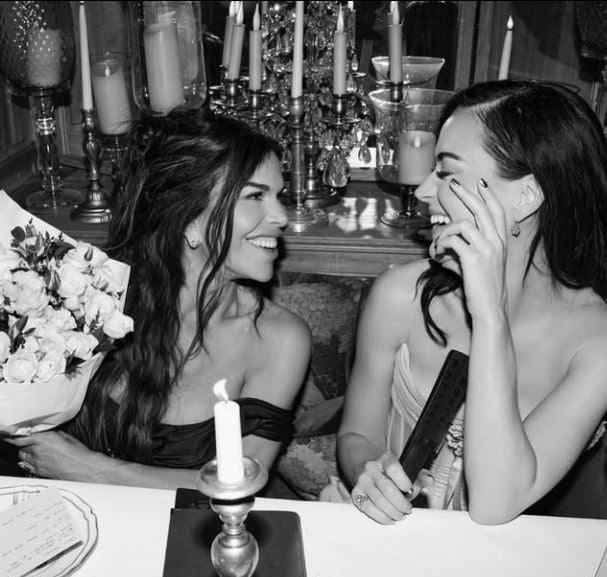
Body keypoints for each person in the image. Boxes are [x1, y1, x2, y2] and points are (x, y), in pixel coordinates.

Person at [337, 80, 607, 525]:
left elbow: (495, 504)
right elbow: (357, 434)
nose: (424, 190)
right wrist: (370, 470)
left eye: (446, 173)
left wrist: (489, 318)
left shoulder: (595, 343)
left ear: (525, 197)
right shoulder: (400, 297)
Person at [4, 109, 311, 489]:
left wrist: (88, 468)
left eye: (278, 196)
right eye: (255, 196)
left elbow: (243, 481)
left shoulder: (278, 339)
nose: (281, 216)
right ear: (190, 218)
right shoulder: (85, 294)